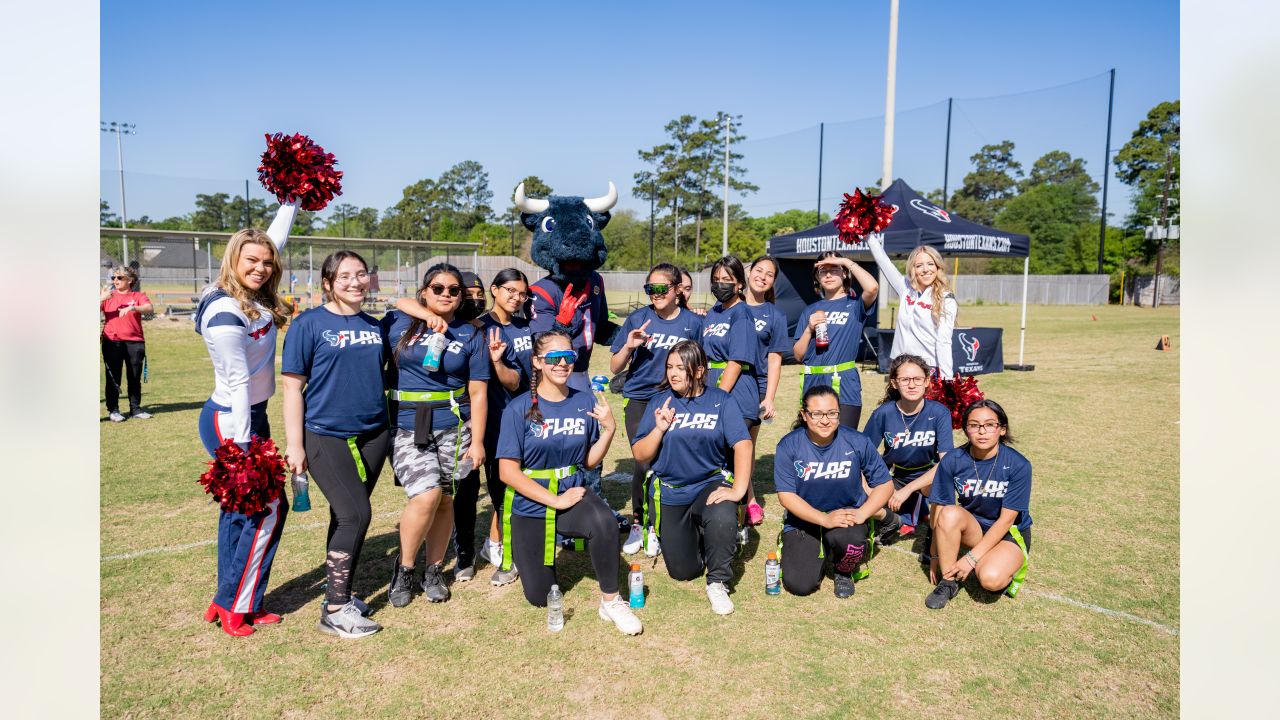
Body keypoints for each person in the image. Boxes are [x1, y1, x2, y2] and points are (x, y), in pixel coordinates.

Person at [495, 330, 642, 634]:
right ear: (537, 362)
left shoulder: (584, 400)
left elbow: (589, 461)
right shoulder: (518, 408)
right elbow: (508, 473)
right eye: (554, 357)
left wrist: (609, 430)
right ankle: (529, 558)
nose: (562, 363)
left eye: (569, 357)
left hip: (572, 491)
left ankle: (611, 601)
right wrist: (554, 500)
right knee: (540, 597)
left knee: (605, 522)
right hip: (532, 500)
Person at [282, 250, 390, 638]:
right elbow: (293, 387)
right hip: (325, 433)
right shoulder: (308, 324)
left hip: (375, 433)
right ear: (328, 283)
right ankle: (334, 610)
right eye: (344, 276)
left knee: (344, 516)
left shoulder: (376, 325)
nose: (355, 282)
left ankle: (340, 592)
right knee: (355, 514)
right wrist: (295, 445)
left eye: (361, 274)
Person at [194, 228, 292, 637]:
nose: (261, 267)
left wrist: (294, 197)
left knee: (239, 513)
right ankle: (237, 602)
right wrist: (245, 447)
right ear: (233, 259)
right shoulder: (224, 312)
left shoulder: (247, 296)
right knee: (267, 509)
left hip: (249, 416)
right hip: (235, 422)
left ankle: (227, 598)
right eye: (251, 260)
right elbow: (236, 384)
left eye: (267, 262)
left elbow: (274, 238)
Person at [381, 263, 489, 606]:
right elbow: (396, 301)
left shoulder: (470, 334)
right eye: (438, 288)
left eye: (454, 290)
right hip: (407, 425)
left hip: (455, 427)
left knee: (444, 499)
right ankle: (405, 568)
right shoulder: (398, 323)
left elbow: (479, 392)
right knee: (425, 495)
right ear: (424, 291)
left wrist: (479, 441)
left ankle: (434, 569)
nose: (446, 294)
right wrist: (421, 314)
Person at [631, 340, 752, 615]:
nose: (673, 373)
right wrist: (659, 429)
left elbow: (743, 444)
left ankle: (718, 581)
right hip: (671, 491)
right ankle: (699, 537)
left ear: (698, 371)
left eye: (680, 367)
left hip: (708, 483)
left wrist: (738, 490)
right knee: (683, 572)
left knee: (722, 514)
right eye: (669, 367)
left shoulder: (720, 400)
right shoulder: (660, 401)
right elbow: (640, 454)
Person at [609, 263, 704, 555]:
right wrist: (628, 345)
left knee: (671, 458)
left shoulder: (693, 322)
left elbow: (700, 365)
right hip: (639, 399)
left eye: (662, 288)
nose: (656, 294)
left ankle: (660, 525)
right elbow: (614, 366)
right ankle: (639, 523)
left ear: (677, 290)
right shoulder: (638, 317)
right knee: (643, 460)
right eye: (650, 289)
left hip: (675, 398)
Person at [774, 385, 893, 597]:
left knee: (851, 540)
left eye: (832, 413)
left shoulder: (857, 441)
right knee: (800, 585)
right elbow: (787, 496)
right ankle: (818, 550)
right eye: (817, 414)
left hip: (847, 514)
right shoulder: (788, 445)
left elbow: (885, 485)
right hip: (806, 518)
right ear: (804, 415)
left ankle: (842, 570)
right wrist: (824, 519)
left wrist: (862, 513)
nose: (825, 420)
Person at [923, 399, 1032, 610]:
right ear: (966, 430)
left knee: (990, 580)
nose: (982, 431)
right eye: (974, 425)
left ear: (1002, 429)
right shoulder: (953, 459)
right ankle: (948, 582)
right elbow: (938, 508)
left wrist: (971, 559)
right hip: (973, 527)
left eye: (990, 424)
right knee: (950, 513)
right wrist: (934, 554)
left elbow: (1007, 519)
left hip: (1009, 532)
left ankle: (998, 560)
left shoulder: (1019, 465)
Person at [476, 269, 534, 585]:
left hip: (528, 417)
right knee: (505, 491)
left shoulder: (525, 326)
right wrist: (497, 363)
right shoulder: (481, 327)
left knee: (518, 485)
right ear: (495, 290)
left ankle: (493, 543)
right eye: (510, 290)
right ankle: (507, 557)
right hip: (499, 421)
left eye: (522, 293)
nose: (516, 297)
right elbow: (511, 382)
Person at [861, 354, 954, 546]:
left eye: (917, 379)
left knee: (944, 483)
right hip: (894, 475)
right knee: (858, 493)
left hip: (927, 475)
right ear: (894, 383)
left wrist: (908, 490)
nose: (912, 385)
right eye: (905, 379)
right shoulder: (883, 413)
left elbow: (946, 462)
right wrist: (868, 490)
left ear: (927, 381)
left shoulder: (939, 412)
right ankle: (891, 520)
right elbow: (861, 456)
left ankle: (933, 539)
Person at [791, 250, 879, 429]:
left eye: (835, 269)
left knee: (844, 440)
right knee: (812, 441)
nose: (829, 274)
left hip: (843, 381)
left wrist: (846, 261)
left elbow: (872, 288)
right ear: (817, 276)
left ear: (845, 273)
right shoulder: (810, 310)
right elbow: (798, 355)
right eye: (823, 270)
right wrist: (809, 329)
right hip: (813, 380)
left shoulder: (855, 305)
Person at [866, 236, 957, 378]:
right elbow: (883, 261)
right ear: (912, 269)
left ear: (938, 266)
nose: (926, 269)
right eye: (919, 265)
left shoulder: (946, 298)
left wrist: (947, 379)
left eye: (930, 264)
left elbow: (944, 341)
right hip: (900, 365)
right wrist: (868, 235)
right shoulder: (905, 288)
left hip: (928, 368)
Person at [742, 255, 789, 525]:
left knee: (747, 445)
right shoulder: (727, 306)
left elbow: (774, 358)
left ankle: (749, 499)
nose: (762, 276)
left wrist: (768, 397)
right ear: (748, 273)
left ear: (773, 282)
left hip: (755, 386)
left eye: (769, 274)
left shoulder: (775, 315)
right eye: (758, 270)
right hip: (725, 382)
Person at [101, 265, 154, 422]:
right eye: (113, 278)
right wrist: (100, 299)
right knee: (113, 377)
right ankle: (113, 410)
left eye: (119, 277)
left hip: (135, 342)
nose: (115, 280)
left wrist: (133, 307)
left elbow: (149, 308)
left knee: (134, 376)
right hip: (112, 342)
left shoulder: (138, 296)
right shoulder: (107, 296)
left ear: (130, 280)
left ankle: (135, 409)